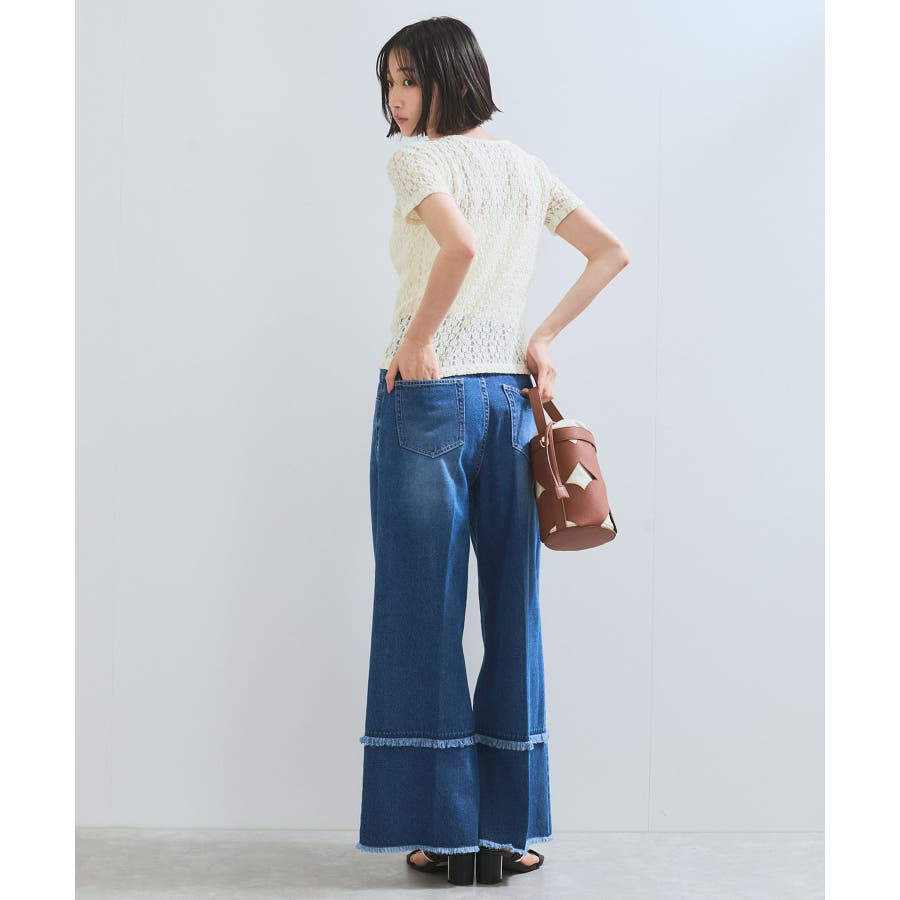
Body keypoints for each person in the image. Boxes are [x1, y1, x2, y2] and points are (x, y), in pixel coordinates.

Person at [356, 16, 629, 885]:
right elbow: (609, 252)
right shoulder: (524, 167)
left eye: (408, 78)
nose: (395, 99)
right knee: (514, 609)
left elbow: (460, 245)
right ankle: (506, 835)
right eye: (387, 81)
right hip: (511, 404)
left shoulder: (417, 163)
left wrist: (418, 341)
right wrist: (538, 339)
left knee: (423, 610)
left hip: (428, 400)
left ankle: (445, 833)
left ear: (449, 75)